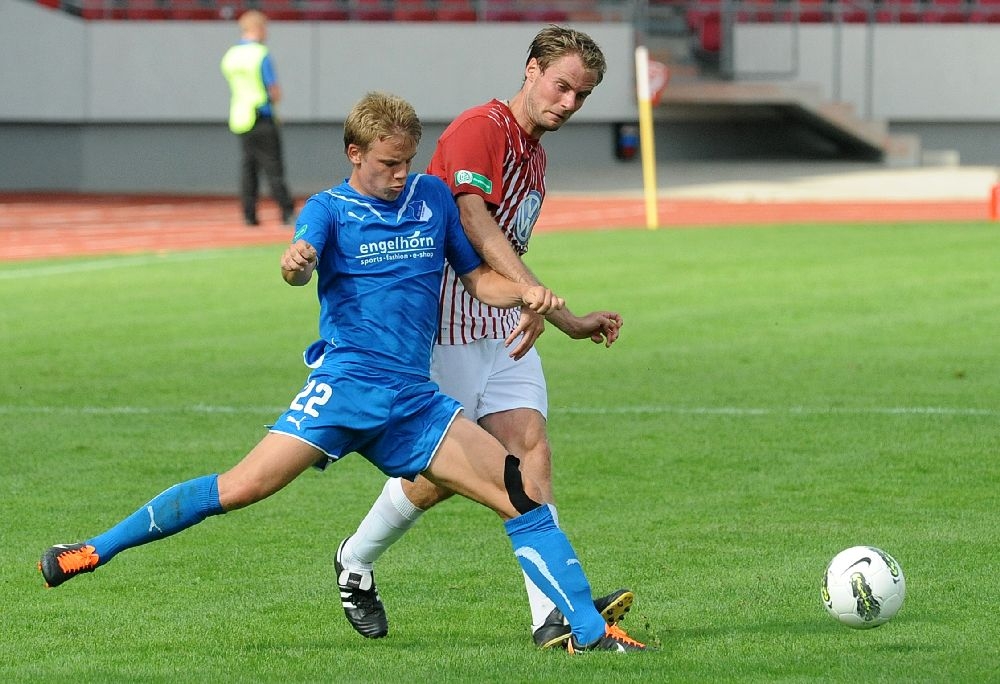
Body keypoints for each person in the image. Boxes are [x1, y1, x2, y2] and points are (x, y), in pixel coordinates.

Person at [37, 92, 646, 654]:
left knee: (519, 491)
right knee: (240, 488)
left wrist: (522, 294)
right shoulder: (328, 210)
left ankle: (588, 635)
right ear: (354, 154)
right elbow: (296, 266)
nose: (401, 173)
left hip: (413, 399)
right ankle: (92, 550)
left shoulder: (432, 198)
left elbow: (476, 278)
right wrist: (296, 263)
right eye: (388, 163)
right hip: (345, 389)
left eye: (408, 160)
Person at [333, 26, 631, 650]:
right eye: (562, 85)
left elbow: (508, 243)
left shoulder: (534, 150)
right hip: (445, 322)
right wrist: (533, 294)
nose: (570, 102)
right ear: (530, 70)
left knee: (530, 449)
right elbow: (472, 218)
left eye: (583, 94)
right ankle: (355, 559)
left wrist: (560, 316)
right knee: (445, 473)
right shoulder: (481, 128)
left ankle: (554, 612)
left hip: (498, 321)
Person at [220, 9, 295, 226]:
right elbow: (273, 89)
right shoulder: (261, 54)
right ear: (258, 28)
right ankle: (286, 211)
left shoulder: (231, 56)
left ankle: (249, 214)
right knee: (274, 167)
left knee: (248, 167)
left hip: (240, 116)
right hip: (261, 114)